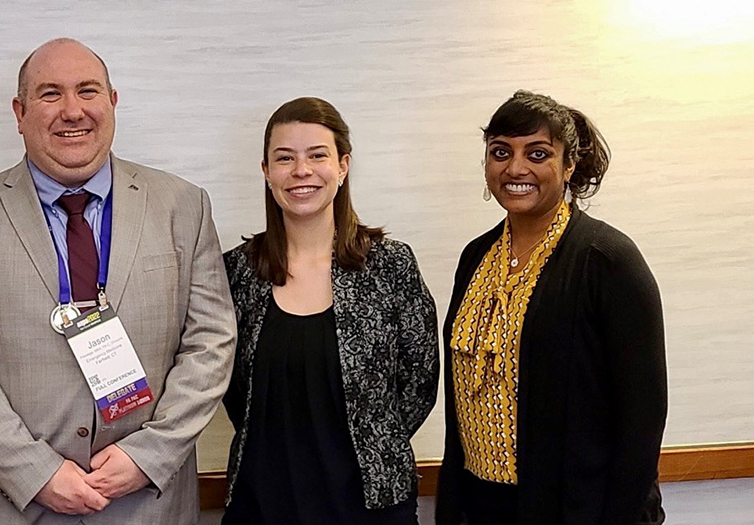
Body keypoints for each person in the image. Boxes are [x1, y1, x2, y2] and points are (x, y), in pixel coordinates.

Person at [0, 38, 236, 525]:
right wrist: (34, 472)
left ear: (112, 102)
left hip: (149, 504)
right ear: (19, 112)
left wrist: (147, 456)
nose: (72, 111)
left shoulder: (182, 206)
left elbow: (211, 343)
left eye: (88, 91)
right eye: (50, 94)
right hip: (15, 505)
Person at [435, 91, 667, 524]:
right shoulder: (476, 257)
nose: (516, 168)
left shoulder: (607, 259)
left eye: (537, 153)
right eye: (500, 152)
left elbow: (643, 416)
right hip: (481, 504)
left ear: (568, 165)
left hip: (578, 508)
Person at [220, 97, 439, 525]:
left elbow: (420, 380)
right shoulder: (238, 272)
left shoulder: (390, 265)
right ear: (266, 172)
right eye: (285, 158)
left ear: (342, 166)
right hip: (263, 503)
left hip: (371, 505)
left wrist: (373, 441)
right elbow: (231, 389)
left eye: (317, 155)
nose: (301, 171)